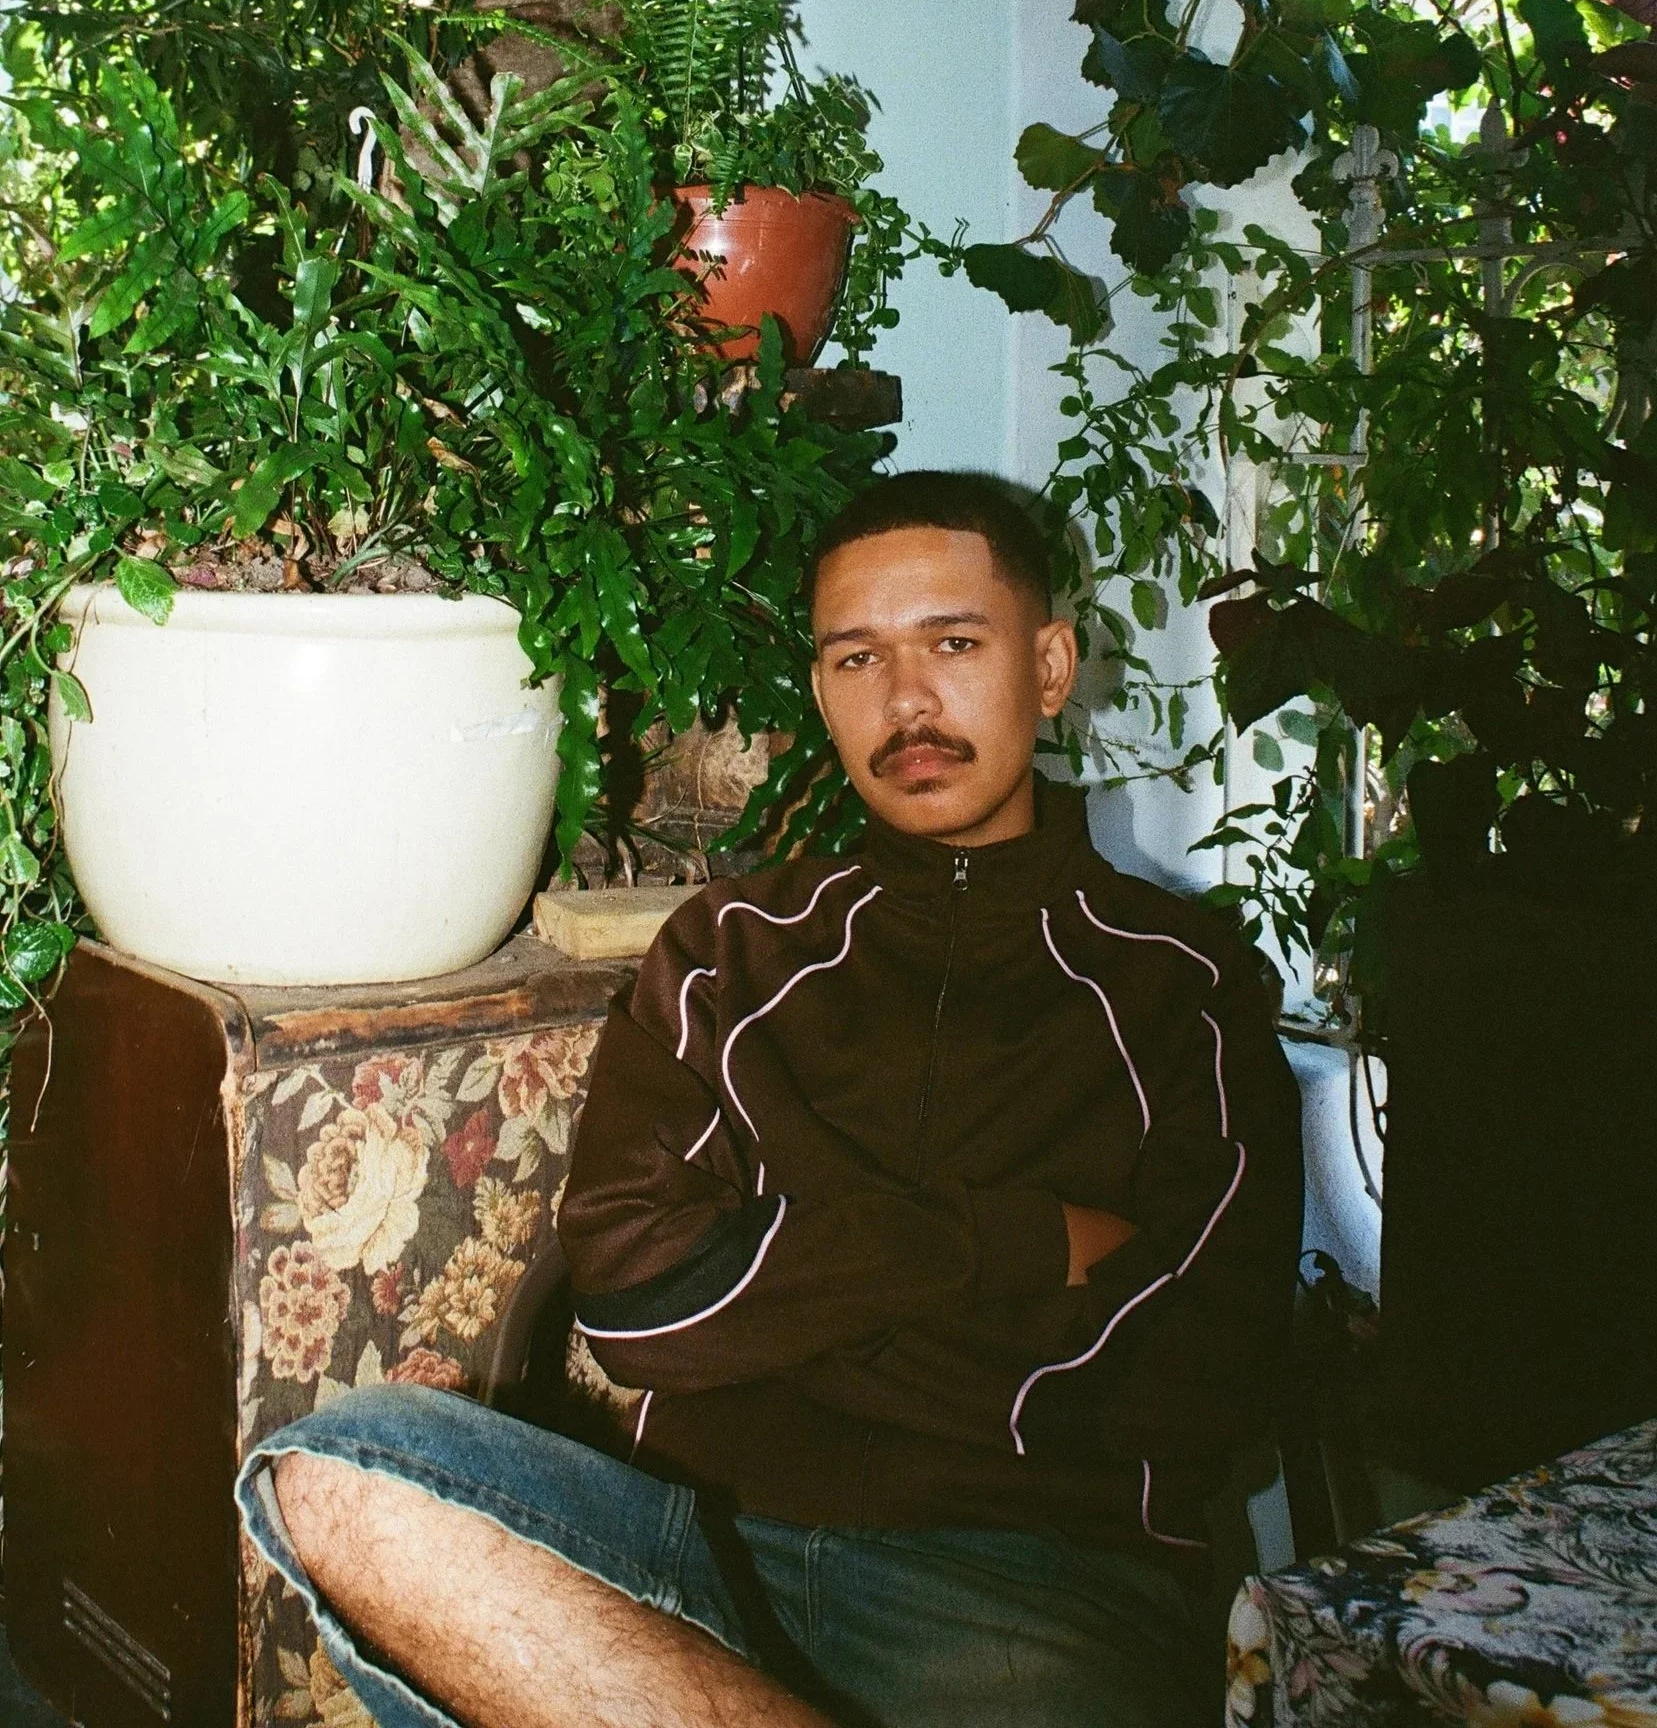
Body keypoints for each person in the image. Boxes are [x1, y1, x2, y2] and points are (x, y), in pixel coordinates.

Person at [238, 471, 1304, 1728]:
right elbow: (637, 1299)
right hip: (696, 1552)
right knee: (331, 1477)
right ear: (820, 690)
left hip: (1029, 1580)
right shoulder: (731, 952)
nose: (907, 701)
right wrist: (1016, 1241)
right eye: (857, 658)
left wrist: (777, 1294)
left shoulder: (1177, 986)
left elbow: (1207, 1364)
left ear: (1052, 664)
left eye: (954, 644)